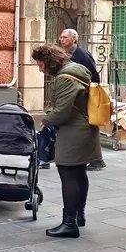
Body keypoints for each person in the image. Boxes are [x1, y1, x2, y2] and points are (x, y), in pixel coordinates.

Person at [32, 44, 101, 238]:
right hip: (85, 127)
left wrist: (46, 119)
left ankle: (69, 223)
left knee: (68, 173)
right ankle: (79, 215)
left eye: (40, 65)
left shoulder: (64, 77)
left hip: (73, 131)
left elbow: (62, 110)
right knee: (79, 173)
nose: (40, 69)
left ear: (49, 61)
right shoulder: (78, 68)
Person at [57, 29, 105, 171]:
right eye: (61, 37)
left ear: (74, 39)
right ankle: (93, 159)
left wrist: (87, 91)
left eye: (65, 37)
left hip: (84, 96)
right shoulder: (65, 54)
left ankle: (97, 159)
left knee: (88, 126)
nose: (61, 39)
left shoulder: (82, 55)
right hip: (76, 96)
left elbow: (94, 76)